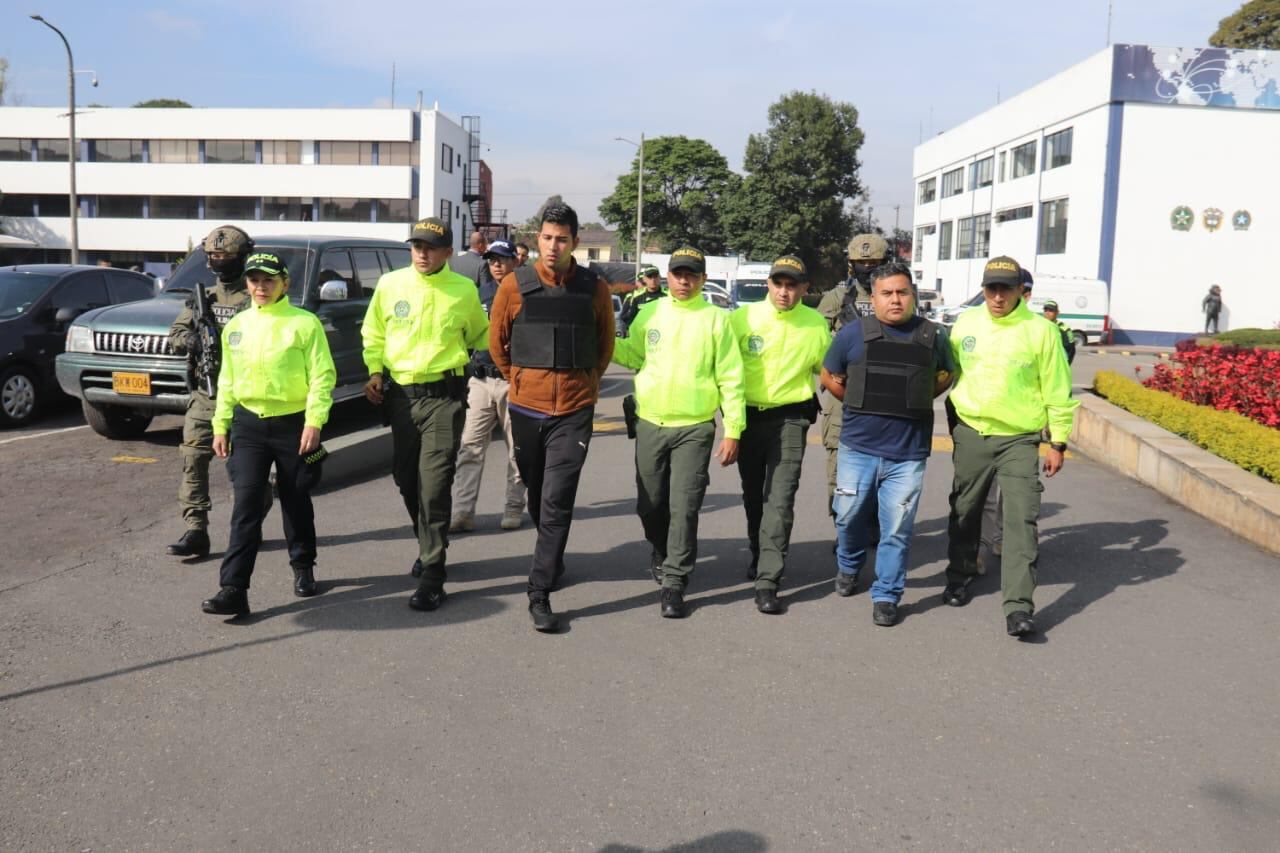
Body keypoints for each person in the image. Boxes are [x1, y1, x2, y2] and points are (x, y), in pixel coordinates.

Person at [489, 202, 615, 632]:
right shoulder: (514, 286)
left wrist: (585, 385)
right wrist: (522, 380)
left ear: (575, 243)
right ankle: (552, 556)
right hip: (526, 408)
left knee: (557, 498)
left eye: (562, 239)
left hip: (575, 411)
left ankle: (538, 590)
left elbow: (604, 347)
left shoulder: (594, 288)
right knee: (538, 492)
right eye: (546, 237)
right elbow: (497, 345)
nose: (553, 245)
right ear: (537, 239)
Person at [941, 256, 1079, 638]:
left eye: (1006, 288)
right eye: (991, 288)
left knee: (1021, 519)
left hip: (1019, 438)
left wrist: (1058, 442)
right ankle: (960, 574)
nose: (998, 296)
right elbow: (948, 371)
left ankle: (1018, 606)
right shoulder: (966, 324)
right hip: (971, 432)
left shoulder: (1041, 332)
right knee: (964, 510)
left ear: (1022, 290)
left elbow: (1057, 390)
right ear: (983, 289)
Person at [362, 217, 489, 612]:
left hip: (444, 398)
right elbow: (374, 333)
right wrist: (375, 371)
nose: (422, 253)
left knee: (434, 484)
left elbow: (480, 336)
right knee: (406, 478)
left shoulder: (463, 290)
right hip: (400, 397)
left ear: (448, 252)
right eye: (416, 246)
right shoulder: (390, 285)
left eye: (431, 247)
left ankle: (434, 574)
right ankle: (429, 541)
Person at [200, 252, 336, 616]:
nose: (260, 287)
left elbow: (322, 377)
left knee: (295, 498)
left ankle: (303, 565)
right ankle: (233, 589)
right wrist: (220, 425)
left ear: (284, 283)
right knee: (246, 505)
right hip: (248, 426)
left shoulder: (304, 324)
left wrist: (314, 422)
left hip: (293, 423)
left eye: (268, 280)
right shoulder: (237, 327)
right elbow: (227, 381)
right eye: (254, 280)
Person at [819, 260, 954, 627]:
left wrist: (919, 398)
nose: (895, 300)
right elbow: (828, 374)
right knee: (847, 517)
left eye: (902, 292)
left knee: (896, 528)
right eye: (887, 293)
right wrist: (857, 399)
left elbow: (947, 375)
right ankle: (848, 565)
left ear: (912, 295)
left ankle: (887, 594)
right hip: (857, 448)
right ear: (874, 297)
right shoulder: (851, 334)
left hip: (907, 455)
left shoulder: (934, 336)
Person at [613, 246, 744, 619]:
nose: (684, 281)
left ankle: (675, 581)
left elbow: (732, 379)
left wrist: (732, 429)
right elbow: (634, 355)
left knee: (684, 506)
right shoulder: (651, 313)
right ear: (668, 276)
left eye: (692, 275)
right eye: (678, 274)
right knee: (650, 504)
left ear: (703, 279)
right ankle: (661, 547)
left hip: (695, 426)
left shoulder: (717, 320)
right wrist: (603, 338)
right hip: (650, 422)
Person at [731, 254, 829, 614]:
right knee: (754, 495)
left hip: (790, 420)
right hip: (748, 418)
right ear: (768, 284)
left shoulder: (816, 324)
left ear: (804, 288)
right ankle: (759, 555)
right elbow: (726, 370)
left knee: (781, 497)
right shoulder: (742, 319)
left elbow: (830, 369)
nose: (784, 292)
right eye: (778, 284)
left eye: (792, 285)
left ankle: (768, 579)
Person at [165, 225, 256, 558]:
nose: (219, 261)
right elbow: (176, 332)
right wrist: (191, 341)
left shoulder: (257, 294)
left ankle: (252, 521)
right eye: (214, 256)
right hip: (207, 392)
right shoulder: (204, 298)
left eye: (226, 256)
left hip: (248, 394)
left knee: (249, 470)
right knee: (193, 455)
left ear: (242, 257)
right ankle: (195, 529)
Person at [450, 239, 526, 533]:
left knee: (516, 449)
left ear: (514, 262)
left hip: (513, 380)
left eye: (502, 258)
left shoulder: (526, 294)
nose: (496, 263)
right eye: (492, 259)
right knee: (469, 447)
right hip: (481, 378)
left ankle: (513, 506)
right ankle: (463, 511)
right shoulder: (477, 293)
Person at [816, 234, 890, 520]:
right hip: (842, 392)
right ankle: (844, 525)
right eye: (862, 262)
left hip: (884, 394)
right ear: (851, 264)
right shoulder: (836, 298)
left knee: (881, 464)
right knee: (838, 462)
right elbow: (818, 343)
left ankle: (872, 522)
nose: (868, 267)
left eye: (874, 262)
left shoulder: (895, 295)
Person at [620, 266, 664, 330]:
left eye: (655, 276)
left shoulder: (668, 296)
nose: (653, 280)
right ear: (644, 279)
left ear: (659, 278)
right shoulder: (637, 298)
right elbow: (630, 319)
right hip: (642, 333)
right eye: (650, 277)